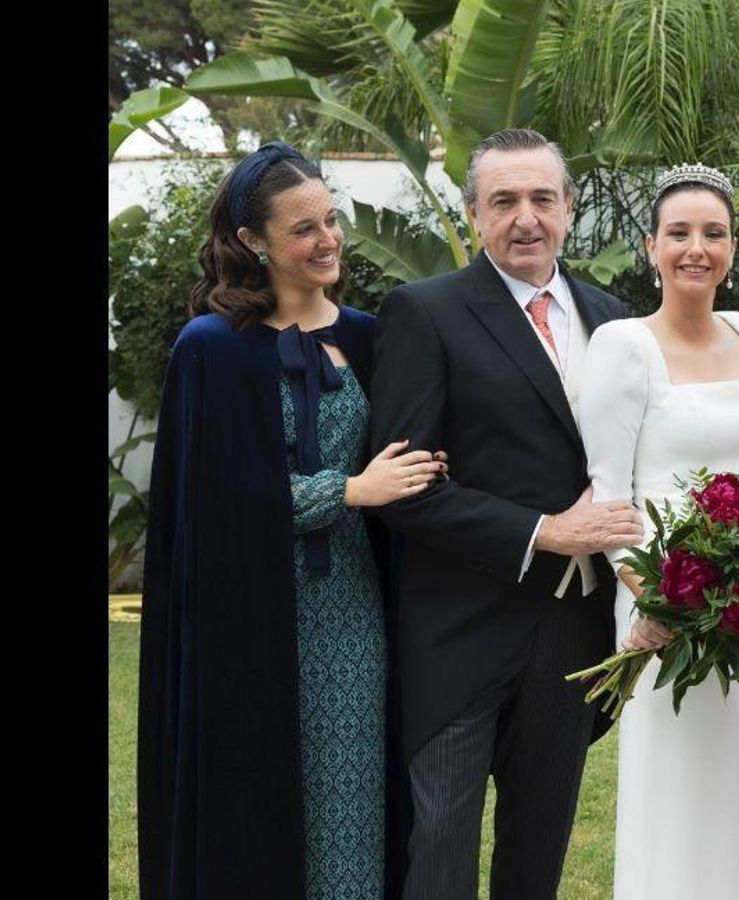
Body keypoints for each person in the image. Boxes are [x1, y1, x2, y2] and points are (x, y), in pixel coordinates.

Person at [139, 141, 444, 899]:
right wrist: (346, 491)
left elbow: (408, 452)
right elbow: (208, 504)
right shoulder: (211, 350)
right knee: (256, 795)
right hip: (247, 623)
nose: (327, 240)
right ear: (253, 241)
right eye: (303, 228)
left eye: (331, 220)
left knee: (353, 788)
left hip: (355, 611)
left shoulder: (371, 337)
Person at [366, 128, 645, 900]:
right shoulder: (424, 313)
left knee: (537, 858)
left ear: (568, 209)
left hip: (571, 635)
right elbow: (405, 489)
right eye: (504, 201)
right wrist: (545, 532)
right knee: (442, 856)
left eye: (542, 199)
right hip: (459, 632)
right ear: (474, 212)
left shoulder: (612, 317)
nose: (525, 217)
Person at [576, 163, 739, 900]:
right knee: (679, 794)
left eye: (713, 233)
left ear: (732, 247)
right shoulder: (623, 346)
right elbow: (607, 497)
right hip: (667, 604)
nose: (697, 248)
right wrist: (648, 598)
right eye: (679, 233)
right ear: (651, 246)